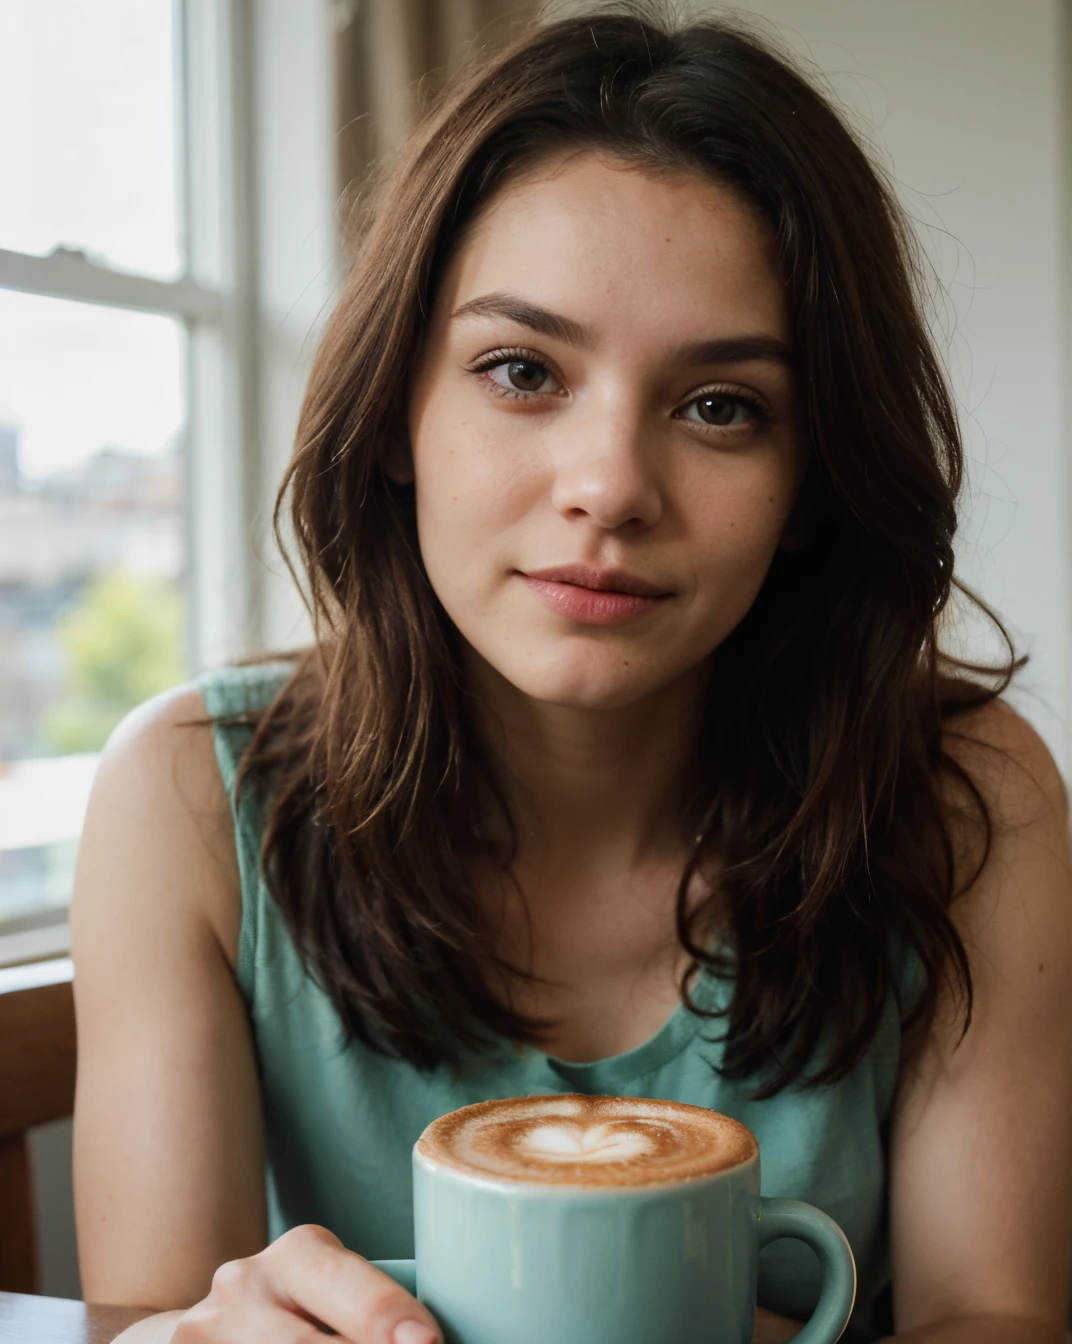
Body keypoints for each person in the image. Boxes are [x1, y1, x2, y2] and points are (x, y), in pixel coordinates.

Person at [72, 8, 1072, 1344]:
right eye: (521, 370)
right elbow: (144, 1313)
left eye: (721, 406)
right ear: (395, 419)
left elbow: (993, 1318)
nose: (607, 488)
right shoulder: (184, 796)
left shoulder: (971, 799)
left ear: (813, 486)